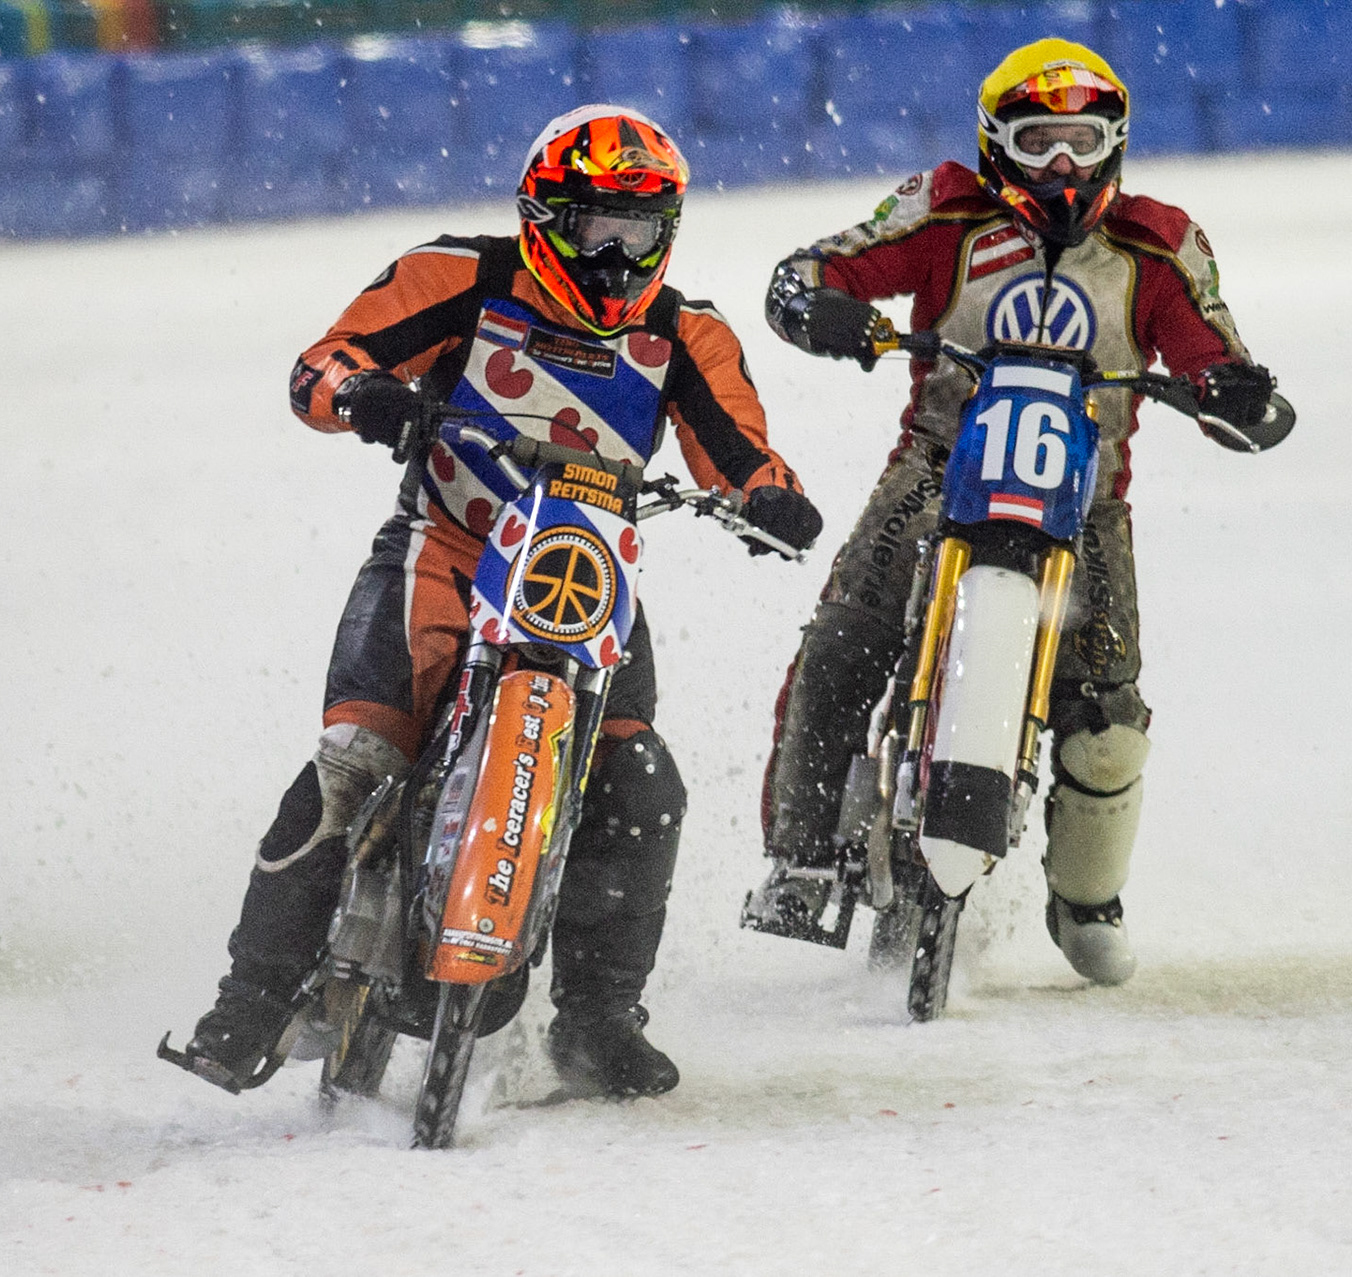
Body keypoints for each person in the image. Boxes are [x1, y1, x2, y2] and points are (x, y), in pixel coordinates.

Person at [171, 105, 822, 1097]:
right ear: (540, 219)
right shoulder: (456, 278)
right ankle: (248, 1001)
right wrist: (361, 396)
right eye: (591, 228)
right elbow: (323, 363)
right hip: (440, 551)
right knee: (354, 762)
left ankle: (600, 1020)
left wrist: (770, 493)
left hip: (586, 573)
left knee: (643, 785)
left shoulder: (688, 331)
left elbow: (737, 447)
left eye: (635, 233)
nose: (612, 257)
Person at [743, 40, 1293, 984]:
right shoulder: (944, 209)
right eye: (1039, 143)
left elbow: (1217, 352)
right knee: (844, 636)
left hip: (1088, 499)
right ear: (998, 143)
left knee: (1109, 721)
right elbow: (819, 269)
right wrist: (820, 306)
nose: (1064, 169)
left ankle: (1086, 896)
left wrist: (1235, 391)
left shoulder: (1158, 244)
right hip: (936, 462)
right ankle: (802, 859)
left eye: (1082, 143)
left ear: (1115, 143)